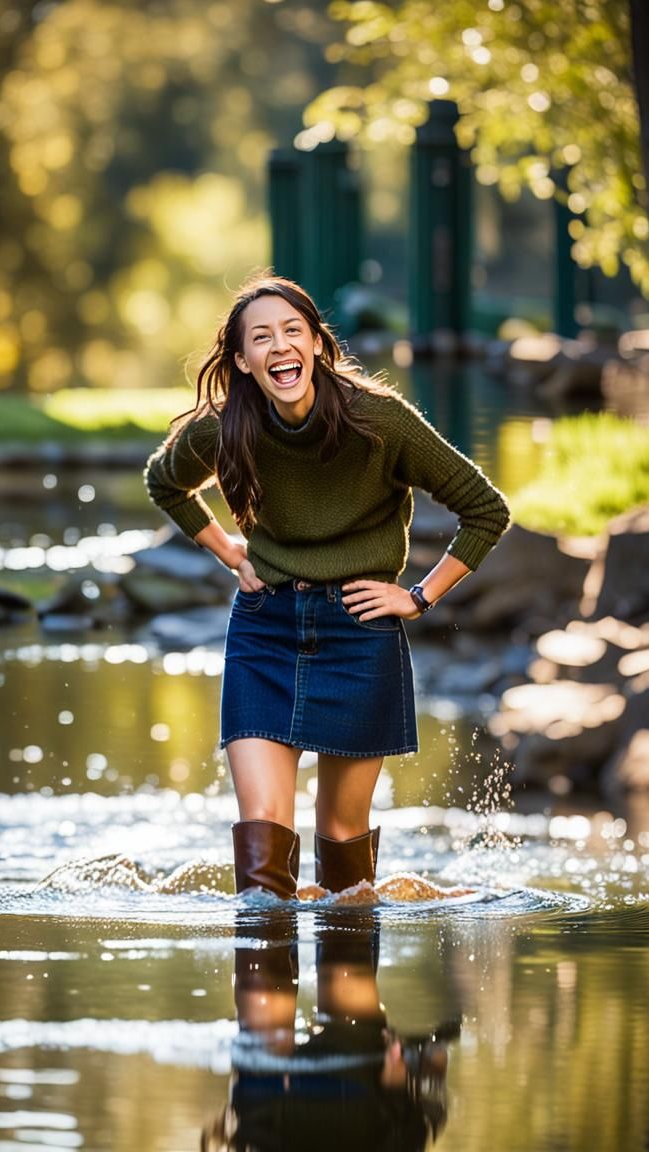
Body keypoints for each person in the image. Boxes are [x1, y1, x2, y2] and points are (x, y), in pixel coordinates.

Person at [144, 273, 509, 900]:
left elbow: (486, 509)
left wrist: (418, 596)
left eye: (293, 332)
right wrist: (228, 549)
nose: (279, 347)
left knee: (345, 857)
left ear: (316, 342)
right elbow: (165, 481)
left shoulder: (380, 422)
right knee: (263, 860)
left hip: (360, 634)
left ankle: (348, 992)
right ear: (242, 359)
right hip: (264, 631)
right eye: (261, 338)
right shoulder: (226, 426)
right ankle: (263, 986)